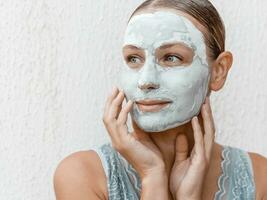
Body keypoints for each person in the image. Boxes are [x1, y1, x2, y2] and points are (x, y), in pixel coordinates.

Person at [53, 0, 267, 199]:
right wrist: (152, 176)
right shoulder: (81, 175)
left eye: (172, 58)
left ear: (218, 71)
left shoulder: (260, 178)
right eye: (134, 58)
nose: (145, 81)